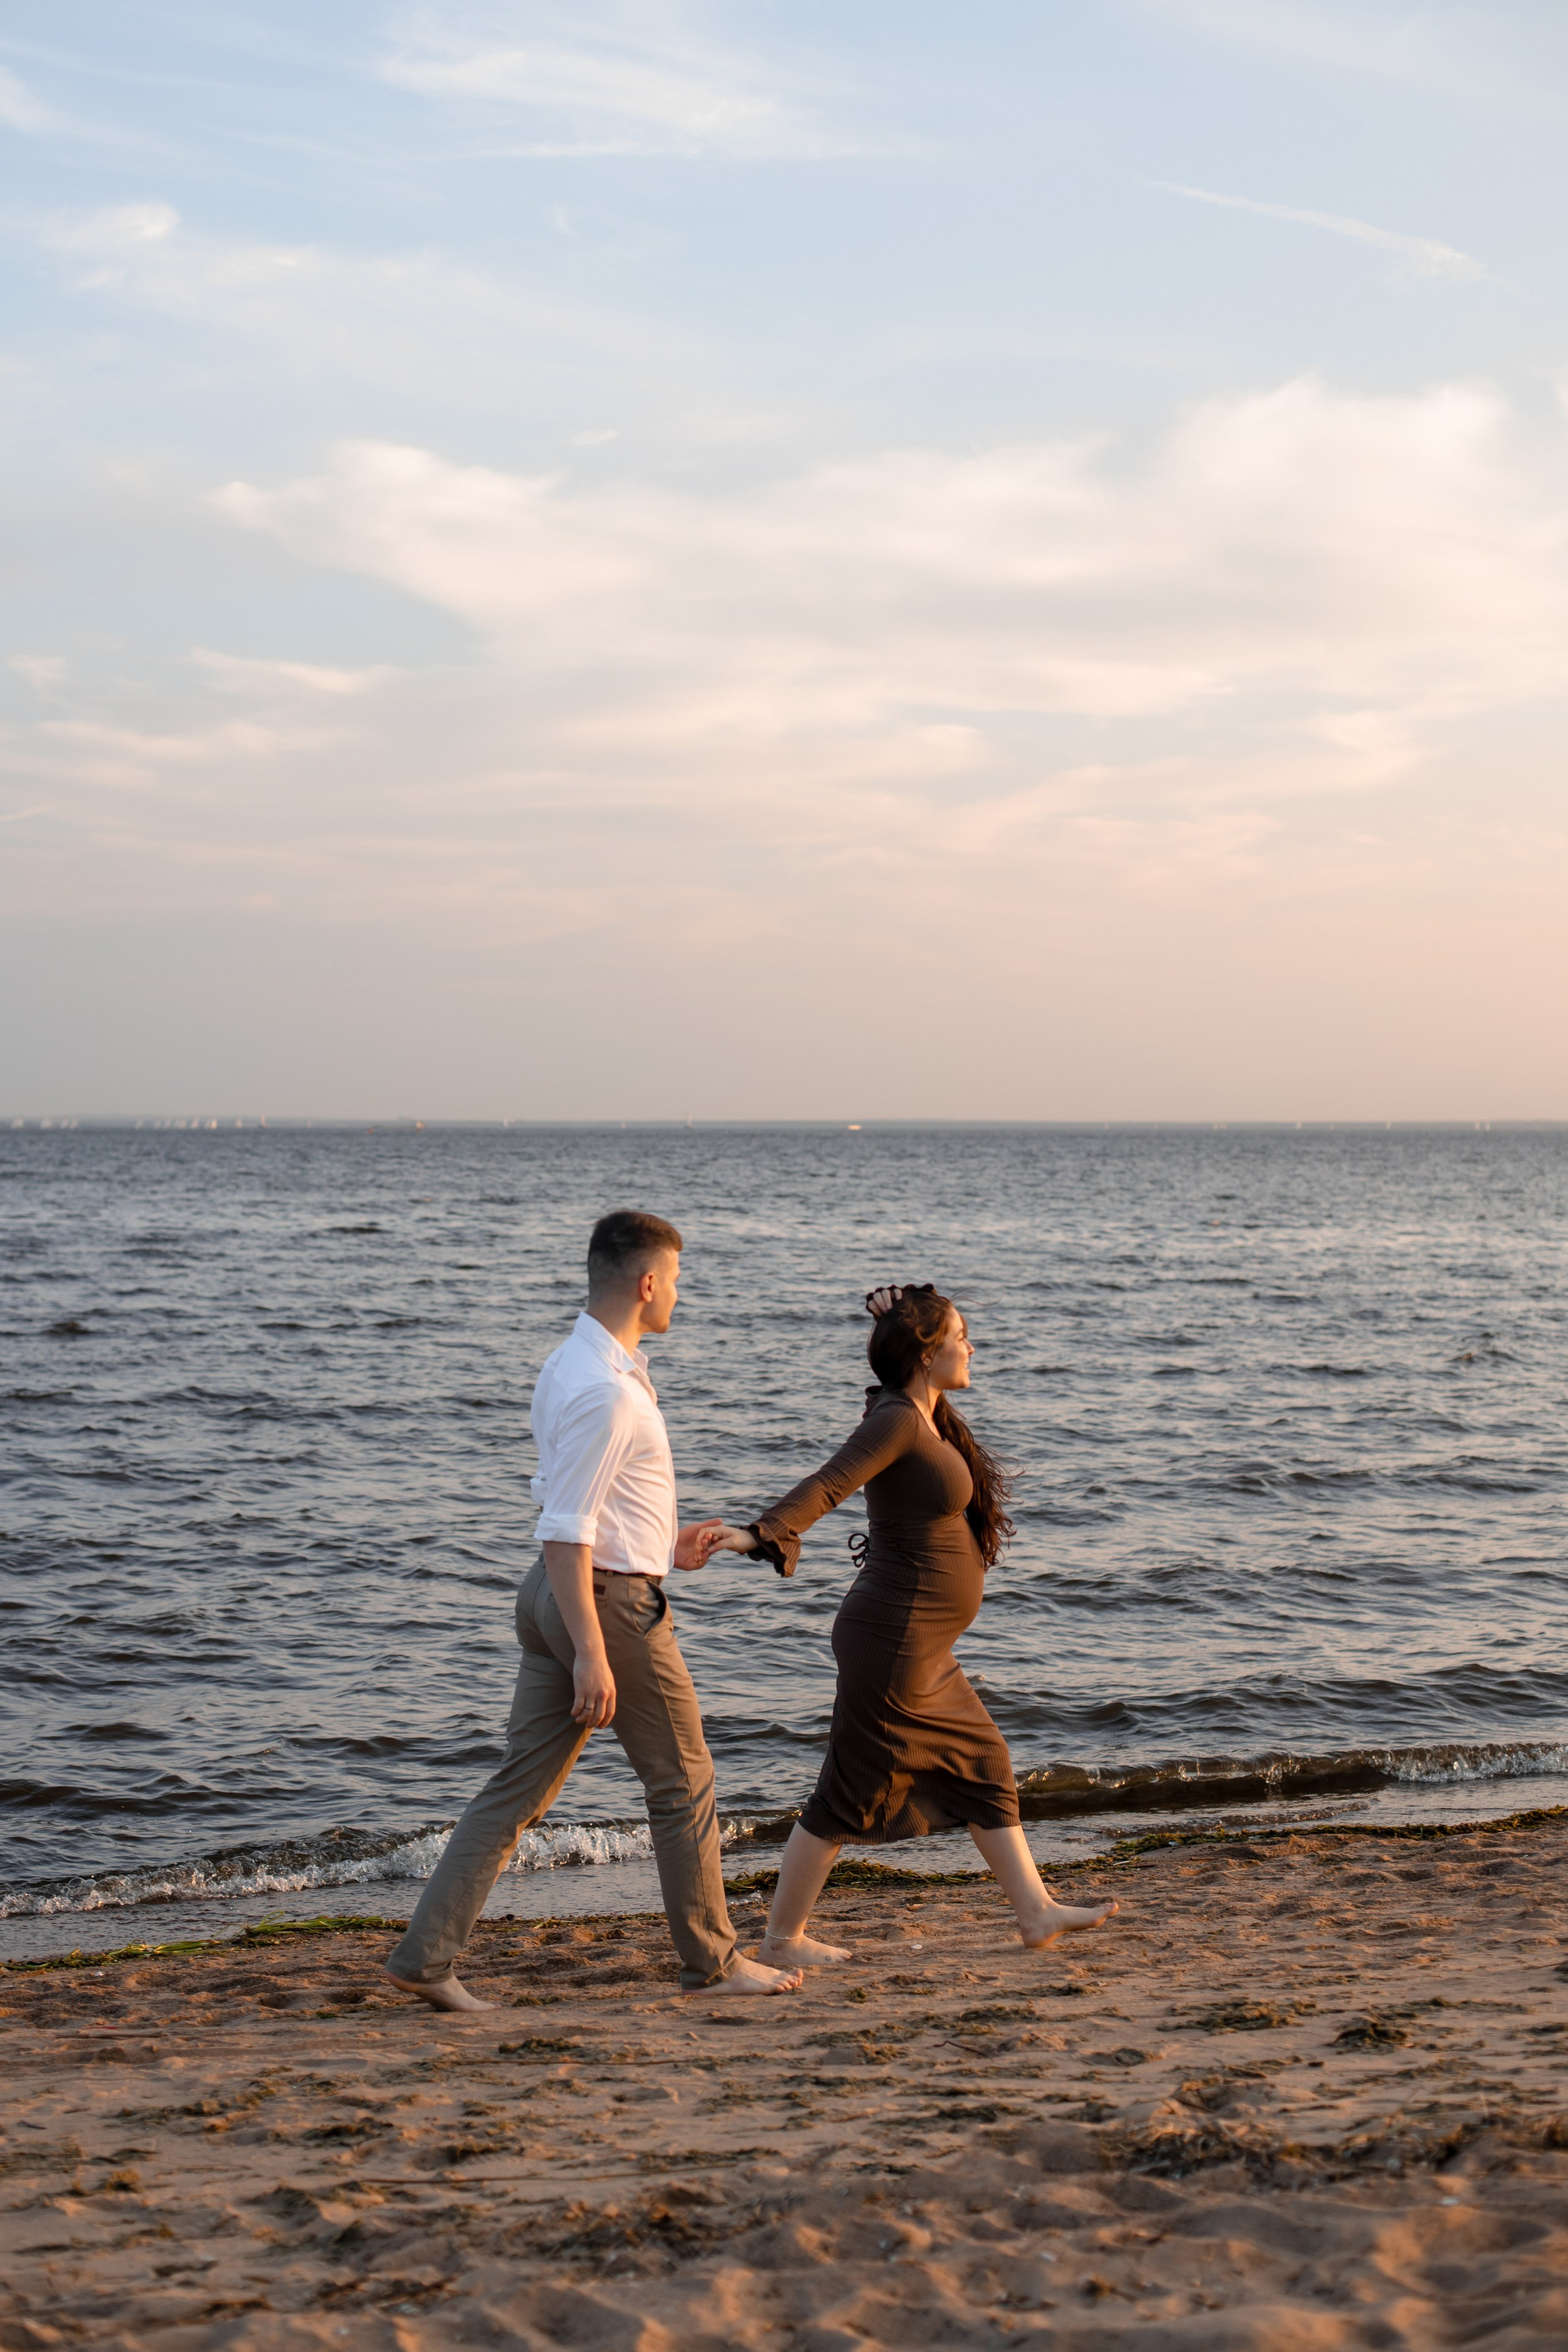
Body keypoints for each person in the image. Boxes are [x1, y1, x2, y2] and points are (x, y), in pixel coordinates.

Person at [384, 1210, 804, 2009]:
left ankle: (425, 1958)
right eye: (675, 1279)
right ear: (647, 1283)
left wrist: (656, 1541)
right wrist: (591, 1650)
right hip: (599, 1602)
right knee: (684, 1783)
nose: (680, 1294)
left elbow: (581, 1504)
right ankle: (712, 1966)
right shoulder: (607, 1393)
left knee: (516, 1790)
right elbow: (567, 1525)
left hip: (564, 1588)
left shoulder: (575, 1364)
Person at [710, 1283, 1118, 1967]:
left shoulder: (919, 1413)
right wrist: (758, 1535)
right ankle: (781, 1942)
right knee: (846, 1791)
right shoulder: (897, 1419)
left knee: (984, 1762)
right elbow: (829, 1482)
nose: (972, 1346)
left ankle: (1035, 1910)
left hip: (918, 1643)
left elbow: (896, 1405)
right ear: (928, 1354)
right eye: (961, 1336)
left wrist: (898, 1321)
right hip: (894, 1640)